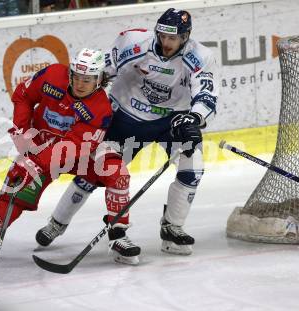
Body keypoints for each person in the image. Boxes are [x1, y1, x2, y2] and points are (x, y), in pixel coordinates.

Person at [36, 8, 218, 256]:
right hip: (125, 117)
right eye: (162, 36)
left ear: (185, 37)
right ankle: (57, 222)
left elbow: (205, 91)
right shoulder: (134, 43)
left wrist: (195, 118)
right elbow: (99, 75)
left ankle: (172, 228)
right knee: (97, 171)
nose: (165, 43)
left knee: (193, 167)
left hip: (172, 120)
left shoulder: (200, 56)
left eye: (172, 38)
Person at [0, 48, 141, 265]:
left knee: (116, 171)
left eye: (87, 80)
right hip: (38, 147)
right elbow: (23, 95)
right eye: (76, 77)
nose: (79, 84)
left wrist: (36, 162)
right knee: (11, 200)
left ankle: (118, 235)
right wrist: (22, 133)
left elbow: (74, 146)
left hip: (78, 155)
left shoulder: (100, 108)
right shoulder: (52, 76)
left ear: (99, 79)